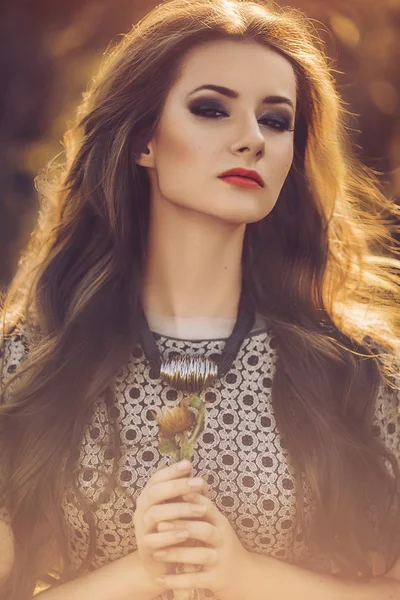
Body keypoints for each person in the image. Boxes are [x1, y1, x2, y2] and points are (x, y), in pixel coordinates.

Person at [1, 0, 400, 598]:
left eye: (275, 121)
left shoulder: (360, 372)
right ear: (143, 141)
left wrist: (248, 575)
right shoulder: (26, 364)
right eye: (212, 109)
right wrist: (140, 572)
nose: (251, 140)